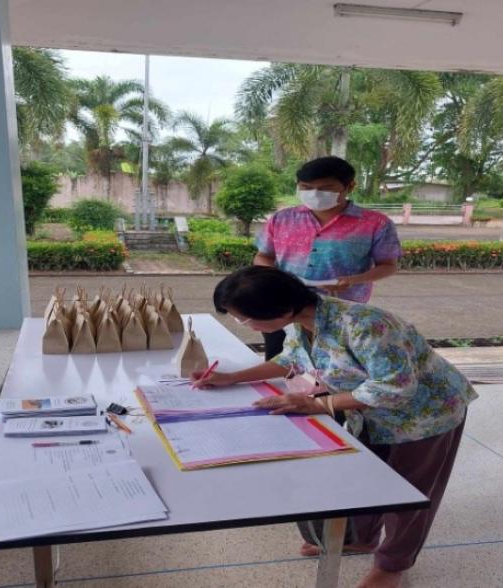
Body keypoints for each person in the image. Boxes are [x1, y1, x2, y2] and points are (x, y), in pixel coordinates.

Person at [194, 266, 477, 588]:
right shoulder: (302, 321)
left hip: (424, 416)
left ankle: (392, 566)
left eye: (243, 319)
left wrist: (319, 404)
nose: (243, 324)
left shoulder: (365, 325)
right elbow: (290, 360)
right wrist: (232, 378)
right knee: (367, 479)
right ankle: (361, 539)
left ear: (280, 310)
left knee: (409, 493)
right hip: (368, 413)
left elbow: (396, 388)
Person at [254, 156, 401, 360]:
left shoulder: (376, 223)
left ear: (350, 186)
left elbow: (388, 265)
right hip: (284, 306)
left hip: (341, 310)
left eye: (326, 188)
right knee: (279, 361)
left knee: (334, 366)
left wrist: (354, 280)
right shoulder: (282, 218)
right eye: (306, 187)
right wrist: (279, 278)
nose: (315, 194)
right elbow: (262, 256)